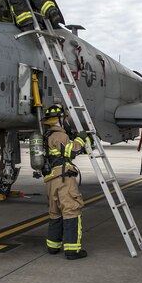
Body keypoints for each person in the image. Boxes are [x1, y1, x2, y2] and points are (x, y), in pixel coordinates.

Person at [42, 104, 89, 260]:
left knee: (55, 212)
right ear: (60, 119)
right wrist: (81, 139)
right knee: (71, 210)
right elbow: (71, 151)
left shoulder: (47, 136)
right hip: (63, 178)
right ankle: (72, 250)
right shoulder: (59, 135)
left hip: (51, 180)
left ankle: (53, 246)